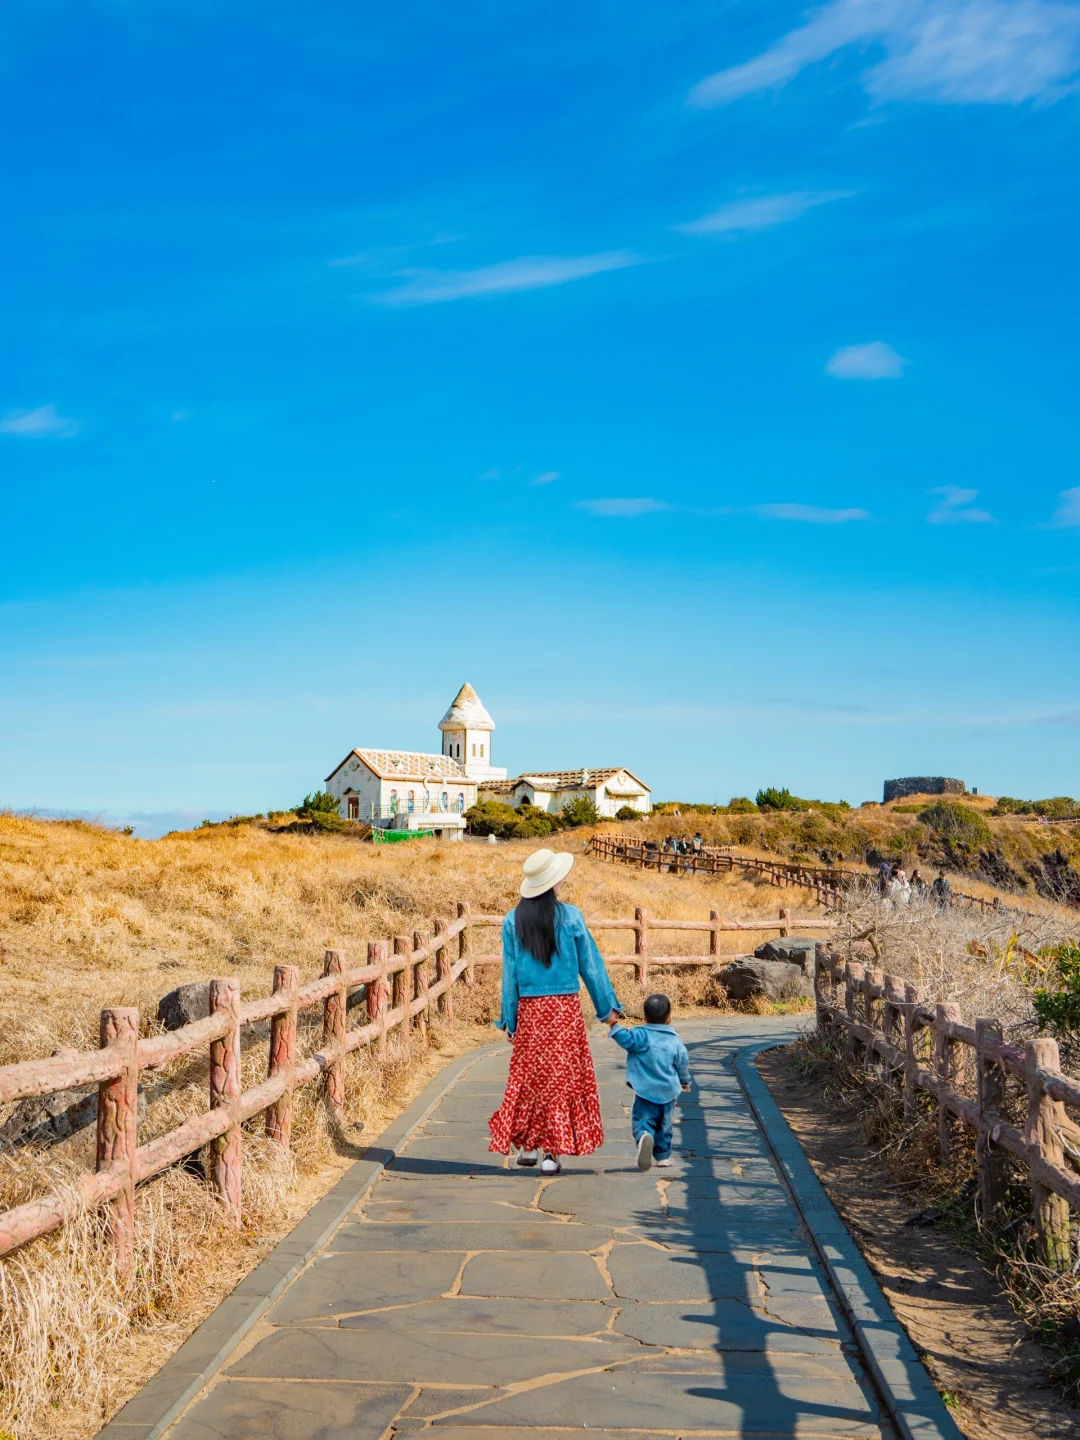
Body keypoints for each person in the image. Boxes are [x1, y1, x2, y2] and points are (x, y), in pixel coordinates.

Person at [489, 848, 621, 1175]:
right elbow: (591, 966)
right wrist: (607, 1008)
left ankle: (528, 1148)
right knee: (560, 1079)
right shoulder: (571, 916)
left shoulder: (512, 920)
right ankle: (551, 1153)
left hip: (531, 1010)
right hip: (564, 1010)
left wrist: (510, 1019)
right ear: (554, 882)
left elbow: (511, 976)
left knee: (529, 1078)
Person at [607, 994, 691, 1171]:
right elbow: (682, 1063)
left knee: (642, 1120)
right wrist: (685, 1081)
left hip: (645, 1091)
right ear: (669, 1018)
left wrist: (614, 1025)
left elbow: (625, 1039)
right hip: (668, 1093)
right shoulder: (675, 1041)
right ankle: (663, 1157)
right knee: (665, 1126)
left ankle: (644, 1135)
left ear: (644, 1018)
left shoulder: (641, 1035)